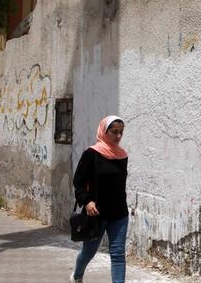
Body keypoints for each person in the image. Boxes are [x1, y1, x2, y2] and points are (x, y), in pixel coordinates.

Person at [71, 115, 129, 283]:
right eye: (114, 132)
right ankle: (77, 275)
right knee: (89, 252)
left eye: (121, 133)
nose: (118, 136)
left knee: (118, 254)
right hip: (96, 214)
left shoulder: (122, 156)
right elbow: (78, 182)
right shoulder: (91, 154)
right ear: (105, 131)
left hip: (119, 214)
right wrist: (87, 201)